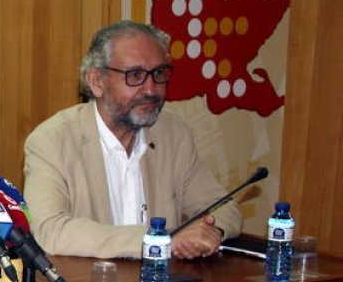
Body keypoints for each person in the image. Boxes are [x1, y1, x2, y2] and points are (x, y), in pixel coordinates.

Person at [22, 20, 243, 259]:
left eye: (158, 74)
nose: (151, 89)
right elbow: (50, 231)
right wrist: (158, 239)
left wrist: (210, 231)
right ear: (97, 81)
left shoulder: (174, 133)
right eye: (135, 75)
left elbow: (224, 208)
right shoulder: (52, 141)